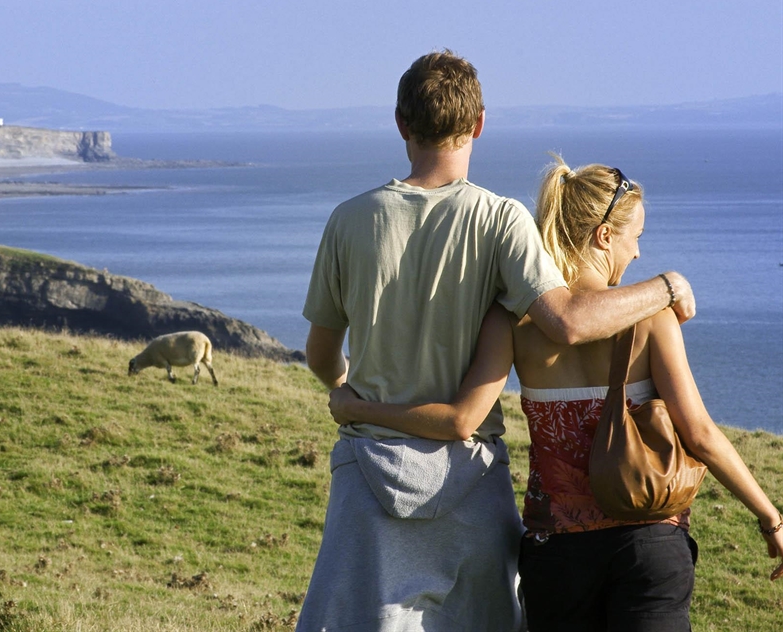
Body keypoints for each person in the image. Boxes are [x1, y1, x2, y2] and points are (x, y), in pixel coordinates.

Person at [298, 50, 696, 632]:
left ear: (400, 123)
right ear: (480, 123)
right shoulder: (502, 220)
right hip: (470, 485)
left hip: (368, 476)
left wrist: (347, 393)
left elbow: (320, 353)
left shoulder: (348, 220)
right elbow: (566, 322)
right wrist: (665, 285)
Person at [328, 154, 783, 631]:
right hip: (647, 544)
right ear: (605, 236)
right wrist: (769, 516)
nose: (638, 255)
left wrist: (358, 406)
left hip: (556, 555)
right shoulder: (653, 316)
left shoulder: (512, 320)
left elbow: (462, 421)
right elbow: (701, 435)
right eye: (636, 239)